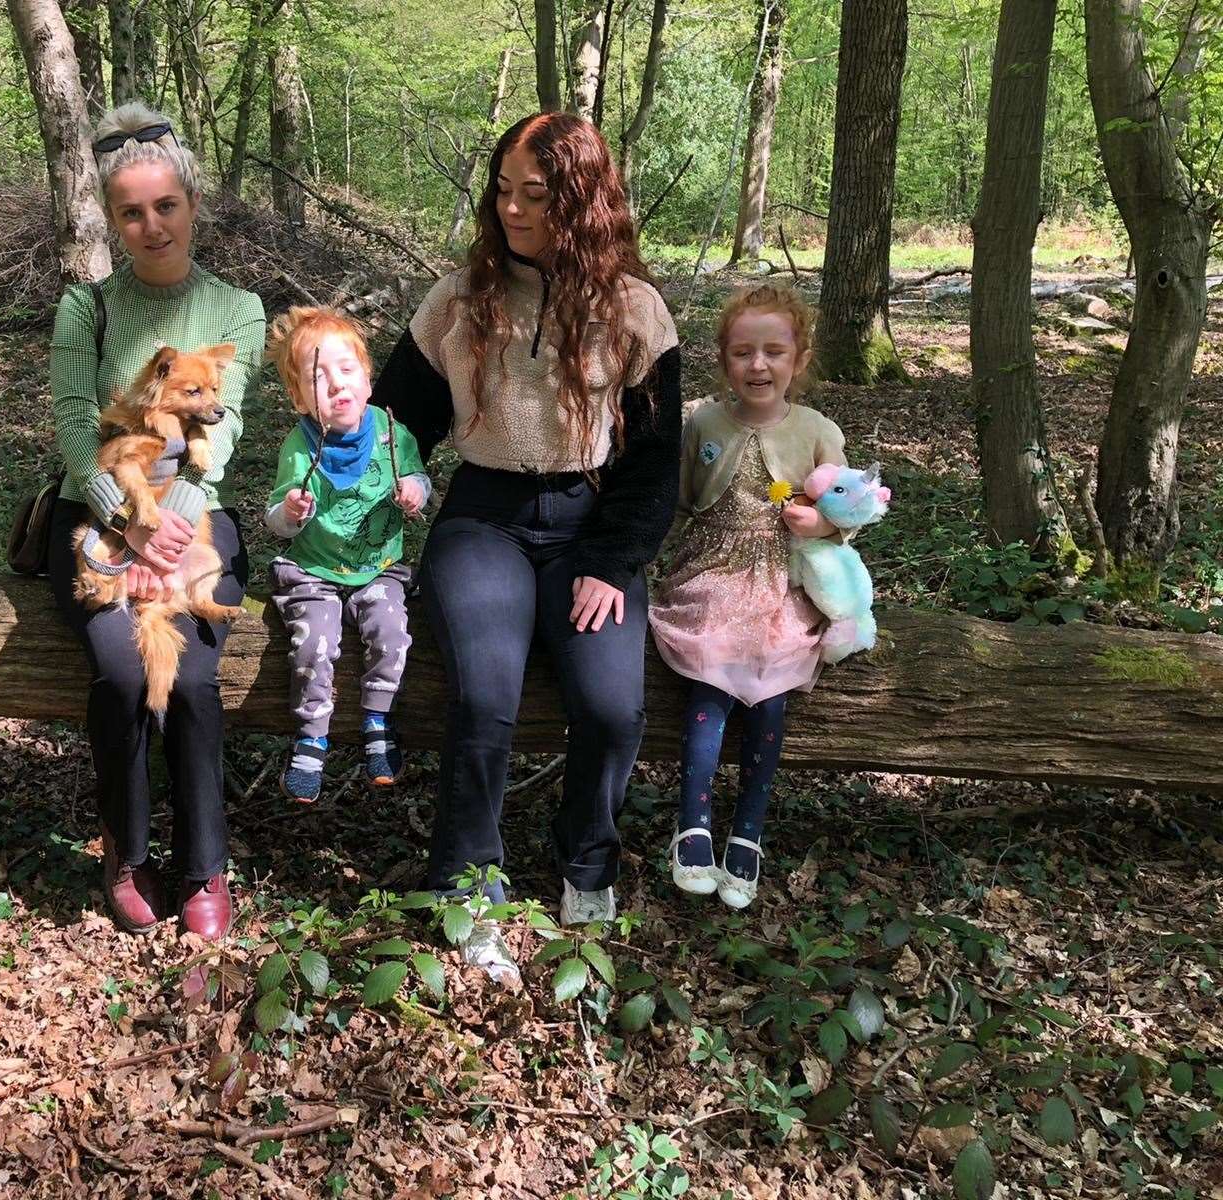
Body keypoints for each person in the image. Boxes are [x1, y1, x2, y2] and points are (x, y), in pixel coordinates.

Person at [375, 112, 681, 983]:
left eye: (536, 196)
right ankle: (469, 883)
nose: (512, 209)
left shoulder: (633, 311)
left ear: (580, 202)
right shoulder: (458, 298)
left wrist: (614, 561)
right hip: (484, 520)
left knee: (613, 706)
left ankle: (588, 857)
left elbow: (654, 459)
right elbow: (397, 423)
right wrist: (346, 489)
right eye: (503, 190)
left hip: (590, 523)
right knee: (483, 695)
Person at [45, 102, 265, 938]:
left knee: (198, 677)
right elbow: (73, 423)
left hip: (195, 506)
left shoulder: (237, 306)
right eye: (132, 212)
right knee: (123, 671)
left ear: (192, 206)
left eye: (165, 206)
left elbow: (226, 423)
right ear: (112, 219)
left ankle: (205, 865)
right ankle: (127, 850)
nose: (151, 225)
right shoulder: (86, 308)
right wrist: (126, 523)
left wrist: (168, 528)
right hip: (99, 506)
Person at [648, 283, 848, 909]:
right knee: (711, 674)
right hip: (713, 564)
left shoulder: (817, 430)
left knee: (772, 690)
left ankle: (750, 829)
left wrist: (824, 524)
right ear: (723, 360)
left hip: (782, 572)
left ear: (799, 360)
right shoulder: (704, 422)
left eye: (773, 352)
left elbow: (849, 505)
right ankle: (695, 822)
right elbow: (677, 501)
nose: (757, 365)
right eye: (742, 353)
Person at [263, 307, 431, 802]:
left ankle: (377, 718)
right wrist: (291, 510)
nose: (337, 384)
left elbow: (421, 479)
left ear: (367, 375)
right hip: (314, 571)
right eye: (319, 377)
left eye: (347, 369)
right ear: (298, 397)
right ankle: (313, 733)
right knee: (314, 642)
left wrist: (414, 493)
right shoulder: (300, 444)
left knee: (392, 631)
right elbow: (274, 517)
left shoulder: (391, 433)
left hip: (378, 566)